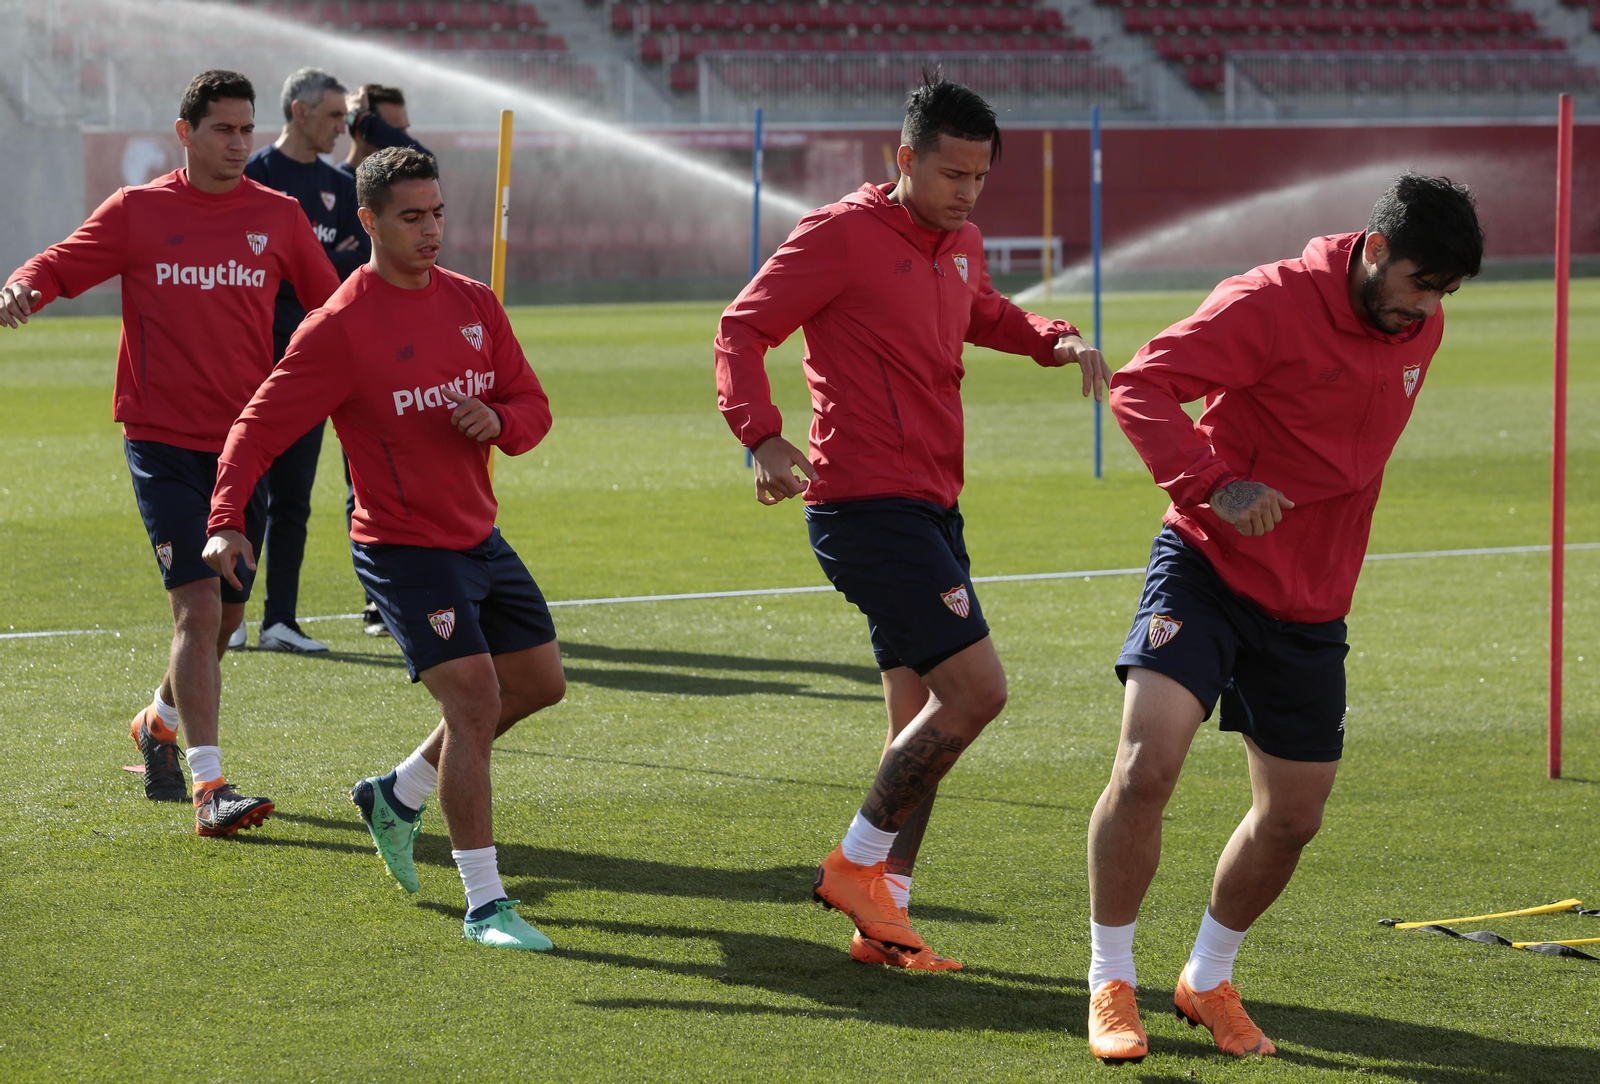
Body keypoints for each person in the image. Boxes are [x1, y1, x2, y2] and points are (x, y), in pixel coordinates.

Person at [1084, 174, 1483, 1064]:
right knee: (1148, 764)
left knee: (1294, 817)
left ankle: (1206, 979)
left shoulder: (1420, 319)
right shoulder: (1265, 303)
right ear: (1375, 251)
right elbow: (1140, 387)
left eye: (1445, 294)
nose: (1426, 309)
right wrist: (1217, 486)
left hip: (1312, 601)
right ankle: (1111, 979)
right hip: (1208, 564)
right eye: (1420, 284)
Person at [713, 76, 1109, 971]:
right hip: (863, 506)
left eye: (979, 177)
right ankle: (855, 866)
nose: (966, 193)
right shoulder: (837, 234)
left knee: (921, 722)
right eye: (951, 174)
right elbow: (741, 330)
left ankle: (885, 921)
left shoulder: (961, 243)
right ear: (905, 160)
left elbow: (983, 313)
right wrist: (764, 437)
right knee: (976, 694)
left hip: (932, 503)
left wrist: (1054, 338)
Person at [204, 147, 563, 950]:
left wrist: (500, 421)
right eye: (411, 217)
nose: (431, 229)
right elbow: (257, 426)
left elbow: (533, 405)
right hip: (402, 550)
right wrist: (227, 516)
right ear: (368, 222)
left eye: (437, 213)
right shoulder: (339, 327)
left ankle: (396, 794)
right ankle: (485, 904)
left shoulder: (475, 303)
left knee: (539, 685)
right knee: (473, 702)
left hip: (479, 538)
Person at [0, 70, 339, 833]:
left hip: (244, 446)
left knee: (221, 624)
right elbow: (59, 264)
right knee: (195, 609)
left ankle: (155, 723)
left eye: (247, 130)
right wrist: (22, 287)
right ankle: (210, 787)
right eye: (224, 130)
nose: (239, 144)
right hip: (161, 441)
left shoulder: (279, 218)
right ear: (185, 133)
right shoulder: (140, 211)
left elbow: (332, 306)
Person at [234, 67, 371, 655]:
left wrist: (307, 268)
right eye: (335, 116)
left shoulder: (341, 188)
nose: (343, 128)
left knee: (294, 494)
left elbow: (345, 270)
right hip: (252, 358)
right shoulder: (255, 176)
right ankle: (230, 614)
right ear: (299, 112)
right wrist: (313, 264)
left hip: (313, 361)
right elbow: (256, 268)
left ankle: (280, 621)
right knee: (243, 488)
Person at [340, 82, 433, 635]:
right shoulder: (332, 187)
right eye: (386, 129)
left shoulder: (414, 194)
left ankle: (387, 599)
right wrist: (363, 123)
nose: (398, 140)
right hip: (337, 344)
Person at [341, 84, 433, 178]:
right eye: (395, 131)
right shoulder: (337, 185)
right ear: (361, 132)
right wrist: (363, 118)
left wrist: (361, 116)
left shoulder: (401, 182)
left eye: (405, 128)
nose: (405, 137)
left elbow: (427, 162)